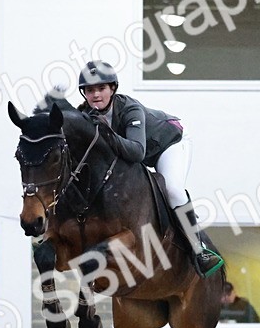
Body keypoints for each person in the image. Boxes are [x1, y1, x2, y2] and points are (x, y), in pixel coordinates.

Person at [76, 60, 223, 278]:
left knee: (172, 189)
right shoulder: (86, 115)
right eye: (90, 90)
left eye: (101, 88)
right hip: (142, 153)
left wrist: (107, 133)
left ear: (113, 89)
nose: (96, 94)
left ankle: (199, 250)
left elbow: (137, 152)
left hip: (169, 143)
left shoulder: (130, 109)